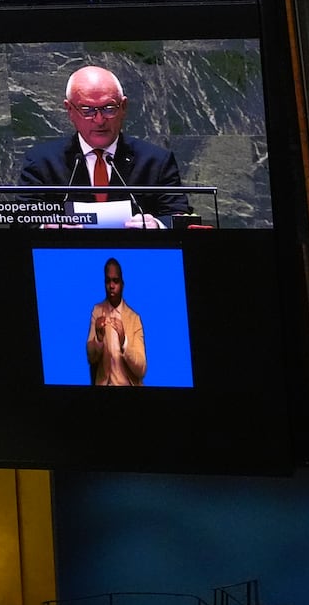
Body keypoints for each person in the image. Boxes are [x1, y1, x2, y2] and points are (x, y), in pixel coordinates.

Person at [18, 65, 190, 228]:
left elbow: (178, 216)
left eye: (108, 108)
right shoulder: (41, 161)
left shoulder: (156, 160)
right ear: (70, 110)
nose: (99, 120)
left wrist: (157, 225)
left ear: (123, 107)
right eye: (87, 110)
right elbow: (21, 222)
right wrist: (47, 226)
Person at [87, 258, 146, 386]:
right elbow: (91, 357)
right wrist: (98, 339)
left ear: (122, 284)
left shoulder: (134, 319)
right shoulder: (97, 312)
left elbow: (141, 369)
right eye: (108, 281)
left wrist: (124, 342)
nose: (111, 286)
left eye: (115, 281)